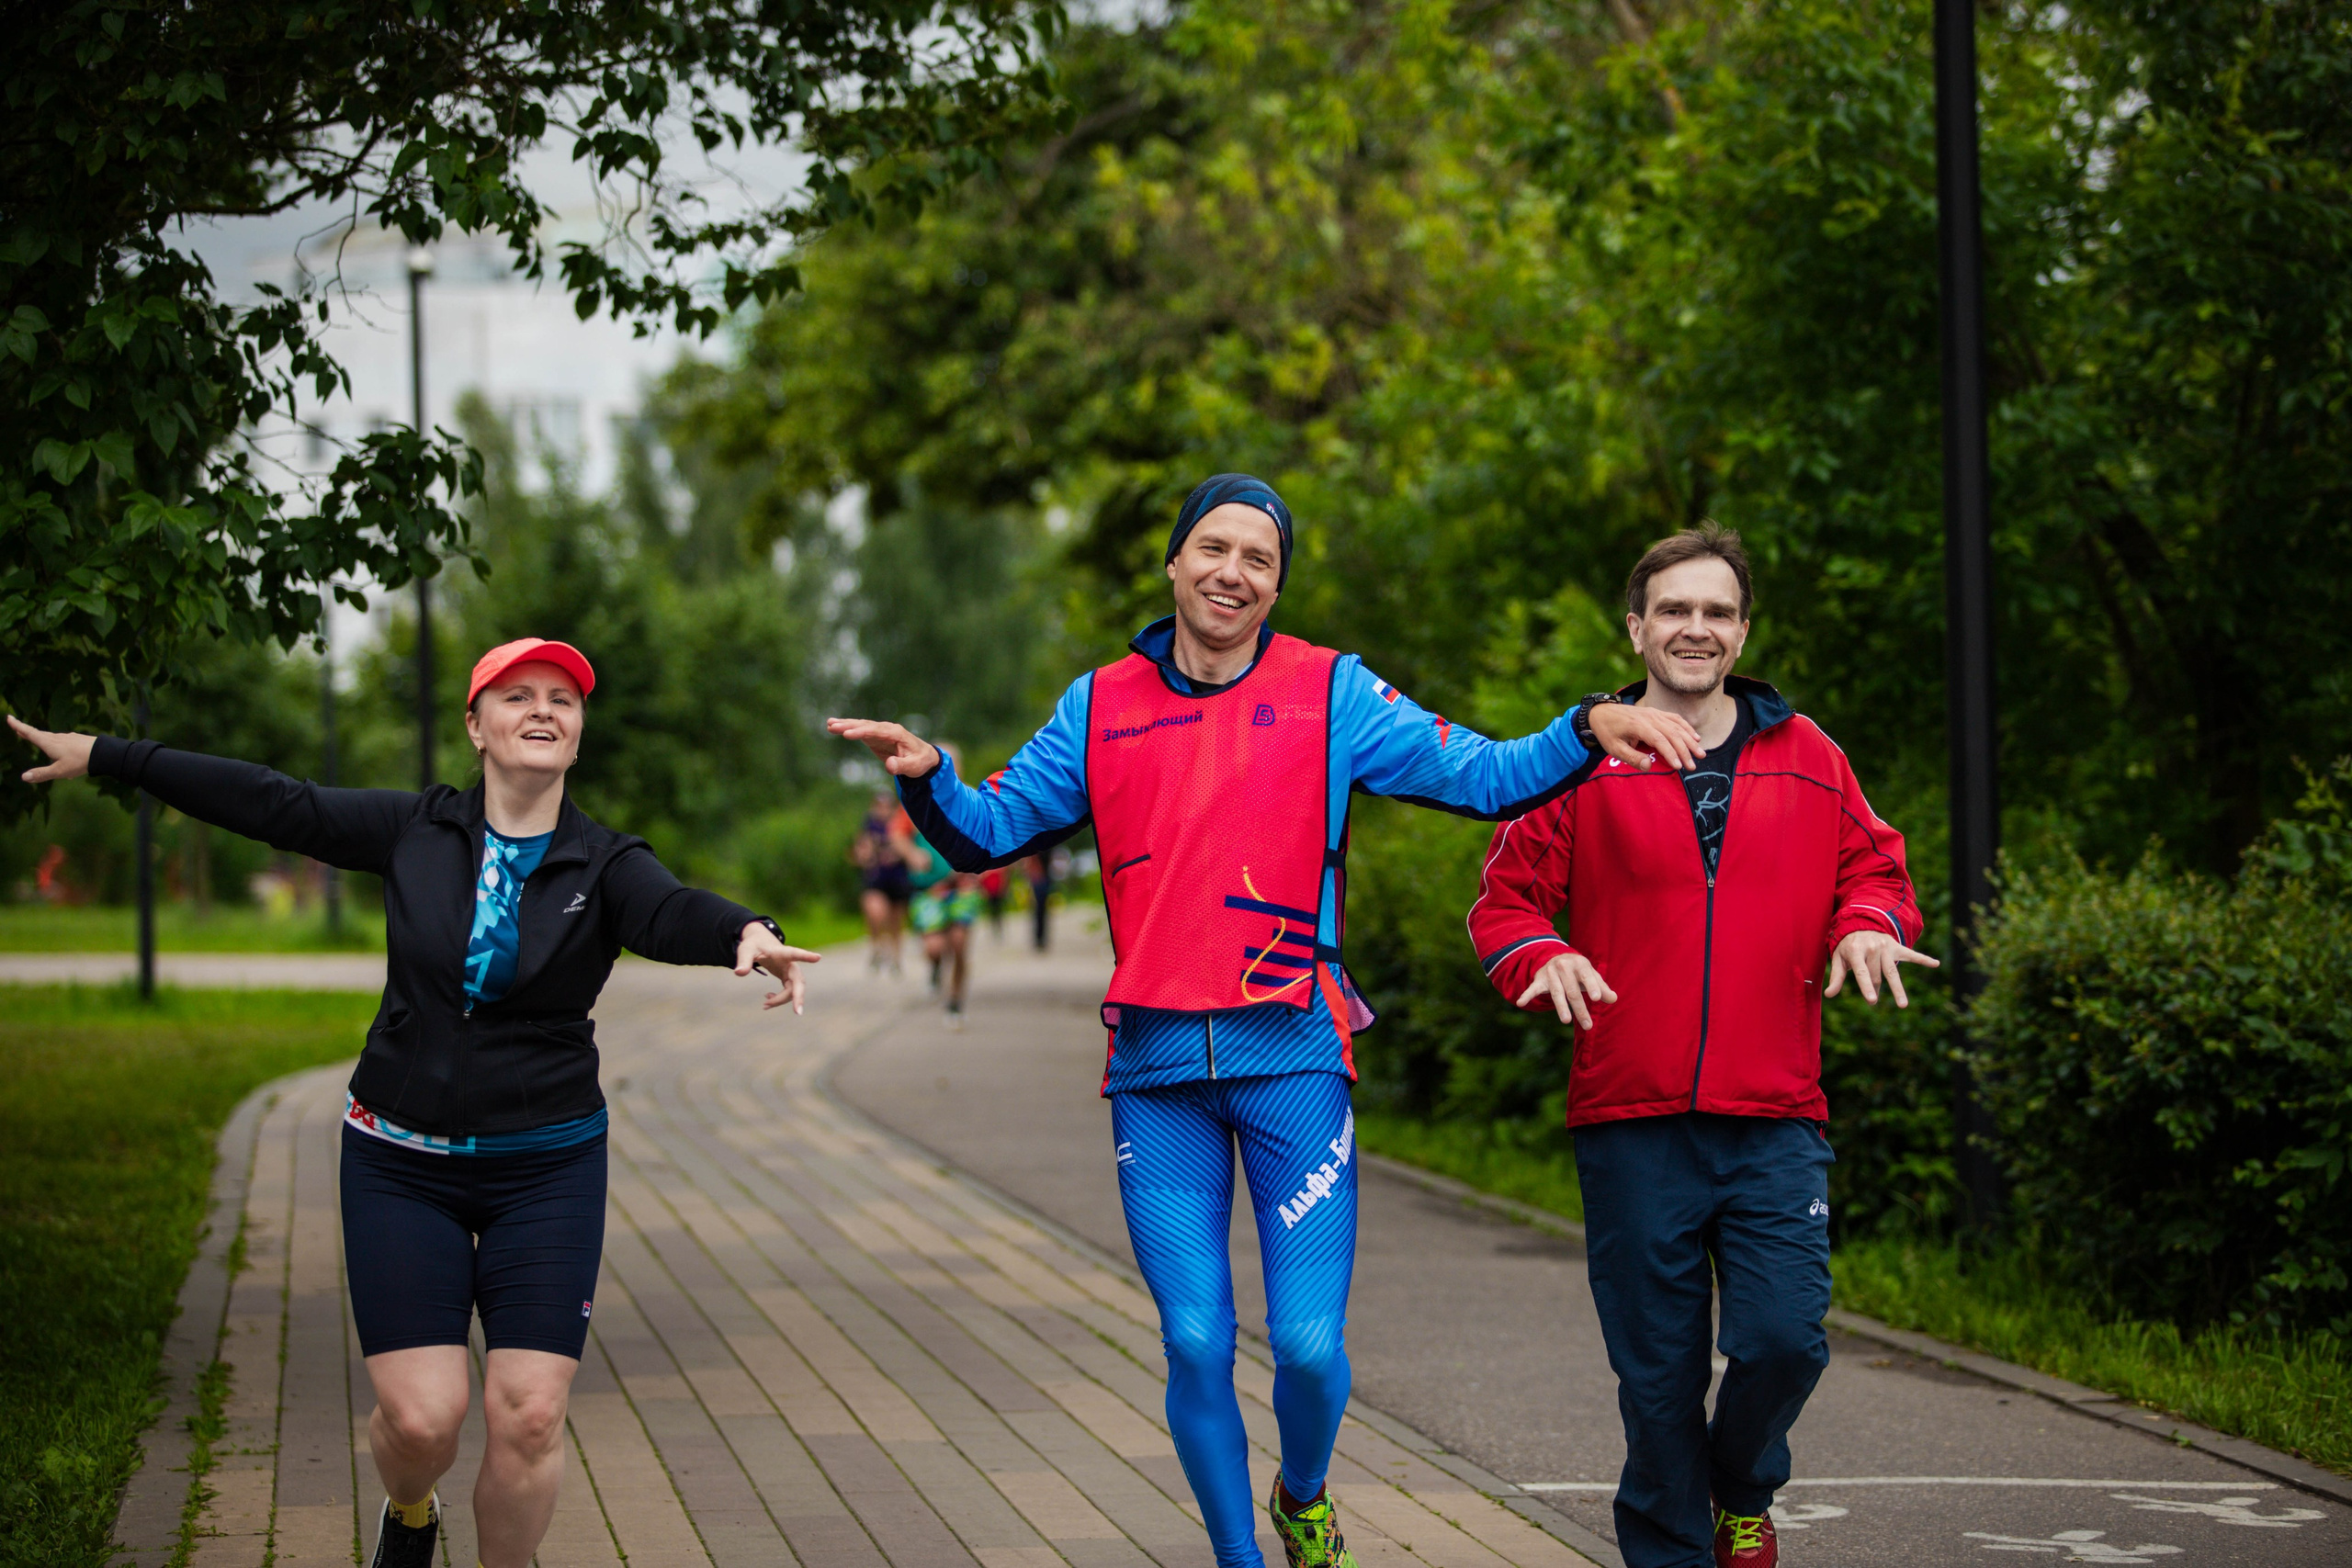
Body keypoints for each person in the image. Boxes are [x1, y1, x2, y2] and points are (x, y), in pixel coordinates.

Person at [829, 474, 1700, 1568]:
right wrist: (928, 778)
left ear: (1275, 584)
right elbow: (986, 830)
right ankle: (1243, 1559)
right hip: (1155, 1068)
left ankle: (1303, 1494)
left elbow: (1482, 776)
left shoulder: (1329, 691)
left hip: (1291, 1053)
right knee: (1195, 1340)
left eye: (1259, 558)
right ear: (1174, 563)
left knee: (1307, 1346)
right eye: (1214, 548)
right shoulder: (1097, 704)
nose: (1232, 571)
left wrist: (1585, 726)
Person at [10, 638, 820, 1568]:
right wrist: (113, 755)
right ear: (476, 726)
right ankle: (409, 1514)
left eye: (563, 698)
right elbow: (274, 802)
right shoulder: (416, 831)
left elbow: (673, 909)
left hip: (546, 1167)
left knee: (529, 1413)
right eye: (516, 695)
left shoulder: (605, 864)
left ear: (579, 733)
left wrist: (749, 933)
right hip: (401, 1163)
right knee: (422, 1419)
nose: (543, 709)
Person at [1464, 525, 1933, 1568]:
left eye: (1716, 612)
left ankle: (1743, 1487)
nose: (1695, 628)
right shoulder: (1581, 761)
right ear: (1636, 629)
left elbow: (1880, 874)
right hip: (1631, 1121)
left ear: (1742, 632)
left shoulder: (1810, 756)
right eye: (1673, 609)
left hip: (1774, 1119)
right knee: (1658, 1379)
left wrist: (1865, 925)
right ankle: (1671, 1549)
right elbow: (1503, 904)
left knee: (1782, 1339)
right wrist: (1541, 953)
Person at [854, 790, 915, 973]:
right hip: (876, 878)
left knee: (896, 920)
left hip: (898, 877)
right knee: (875, 913)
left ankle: (896, 956)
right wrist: (865, 856)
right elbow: (860, 850)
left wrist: (899, 854)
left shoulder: (901, 823)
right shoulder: (869, 825)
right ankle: (877, 946)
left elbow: (911, 847)